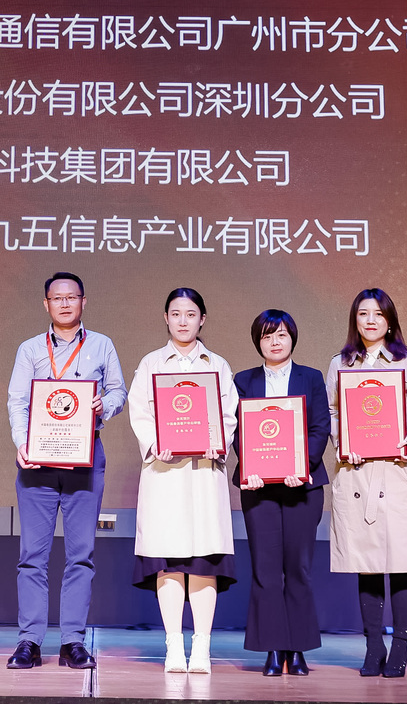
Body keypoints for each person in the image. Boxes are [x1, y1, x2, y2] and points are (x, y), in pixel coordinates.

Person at [5, 272, 127, 670]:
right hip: (38, 461)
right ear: (46, 304)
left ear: (83, 301)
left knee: (81, 556)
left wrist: (105, 404)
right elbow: (18, 401)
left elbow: (119, 391)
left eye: (71, 297)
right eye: (56, 298)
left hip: (84, 457)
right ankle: (29, 641)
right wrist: (22, 443)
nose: (64, 303)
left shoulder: (102, 344)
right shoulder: (29, 349)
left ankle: (72, 641)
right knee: (32, 557)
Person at [127, 287, 239, 674]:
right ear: (166, 318)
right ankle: (174, 645)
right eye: (175, 314)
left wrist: (217, 442)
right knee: (169, 560)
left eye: (190, 314)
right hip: (164, 474)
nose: (183, 321)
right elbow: (140, 412)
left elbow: (228, 415)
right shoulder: (151, 363)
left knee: (204, 560)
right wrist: (154, 443)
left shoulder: (218, 365)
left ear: (202, 319)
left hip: (204, 473)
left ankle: (201, 647)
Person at [325, 288, 407, 679]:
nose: (370, 321)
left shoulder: (406, 361)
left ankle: (400, 645)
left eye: (378, 314)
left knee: (403, 563)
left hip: (396, 469)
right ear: (355, 320)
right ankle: (374, 646)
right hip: (357, 472)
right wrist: (343, 443)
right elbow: (331, 411)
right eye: (363, 314)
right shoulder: (340, 363)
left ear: (390, 321)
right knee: (366, 564)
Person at [233, 308, 330, 677]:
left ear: (292, 338)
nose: (275, 342)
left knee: (299, 569)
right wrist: (252, 466)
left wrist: (300, 465)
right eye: (267, 336)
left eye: (281, 335)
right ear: (258, 342)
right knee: (266, 570)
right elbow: (238, 430)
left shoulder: (312, 378)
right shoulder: (244, 380)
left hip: (302, 486)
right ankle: (273, 649)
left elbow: (320, 427)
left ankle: (298, 648)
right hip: (259, 488)